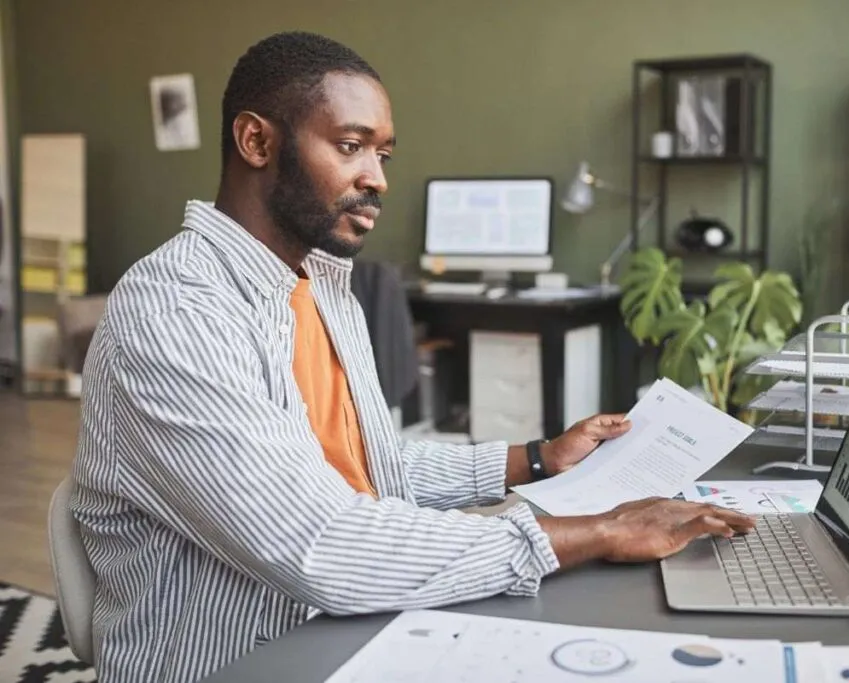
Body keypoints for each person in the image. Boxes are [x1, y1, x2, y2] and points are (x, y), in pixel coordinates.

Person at [70, 31, 754, 683]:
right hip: (240, 660)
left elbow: (371, 465)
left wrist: (538, 457)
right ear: (256, 141)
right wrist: (596, 530)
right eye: (350, 146)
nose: (378, 179)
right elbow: (325, 545)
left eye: (383, 156)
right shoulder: (175, 315)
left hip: (341, 625)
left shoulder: (320, 285)